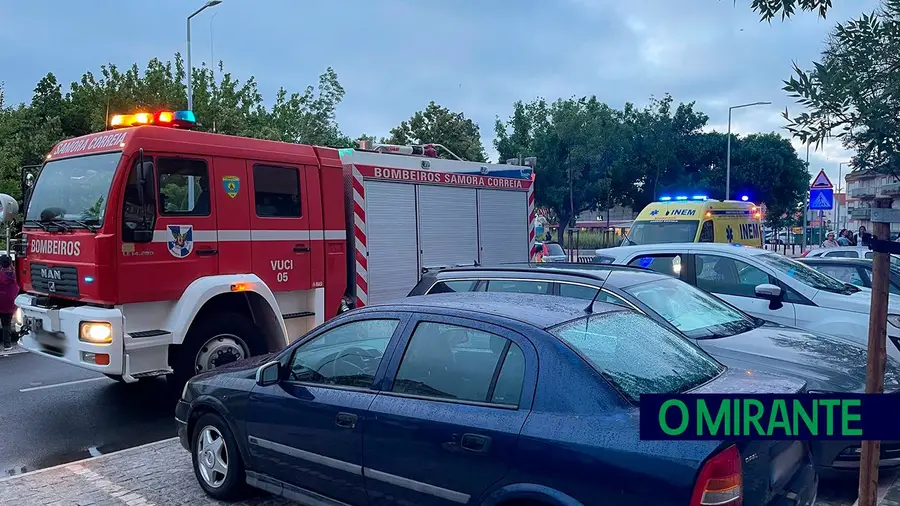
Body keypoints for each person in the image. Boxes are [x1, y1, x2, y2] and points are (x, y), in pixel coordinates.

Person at [0, 255, 18, 351]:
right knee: (6, 324)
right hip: (11, 303)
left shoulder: (0, 274)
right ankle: (7, 344)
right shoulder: (15, 274)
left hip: (1, 301)